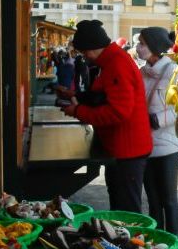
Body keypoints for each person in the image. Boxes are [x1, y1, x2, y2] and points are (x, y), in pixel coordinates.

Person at [58, 20, 151, 209]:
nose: (84, 57)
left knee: (126, 210)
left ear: (92, 48)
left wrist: (78, 110)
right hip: (122, 148)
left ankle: (131, 239)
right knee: (120, 202)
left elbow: (118, 111)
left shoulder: (117, 64)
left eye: (84, 52)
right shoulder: (111, 61)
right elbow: (103, 96)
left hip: (128, 150)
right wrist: (76, 96)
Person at [136, 27, 178, 234]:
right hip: (145, 145)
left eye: (142, 44)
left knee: (169, 200)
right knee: (153, 201)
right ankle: (158, 244)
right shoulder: (140, 72)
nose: (138, 48)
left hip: (168, 146)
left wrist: (156, 120)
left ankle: (173, 245)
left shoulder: (175, 72)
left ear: (154, 47)